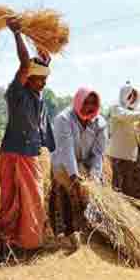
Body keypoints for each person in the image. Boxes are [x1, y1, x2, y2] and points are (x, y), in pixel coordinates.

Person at [0, 17, 56, 255]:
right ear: (27, 78)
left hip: (29, 153)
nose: (43, 84)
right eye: (39, 79)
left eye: (45, 80)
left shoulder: (36, 97)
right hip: (13, 153)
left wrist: (43, 50)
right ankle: (8, 244)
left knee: (32, 199)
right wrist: (17, 34)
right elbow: (24, 63)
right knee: (11, 200)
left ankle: (28, 243)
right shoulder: (17, 93)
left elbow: (41, 62)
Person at [49, 87, 108, 249]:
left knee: (94, 193)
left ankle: (90, 228)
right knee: (66, 193)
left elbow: (98, 154)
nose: (89, 107)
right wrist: (74, 176)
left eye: (93, 103)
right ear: (78, 102)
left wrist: (94, 176)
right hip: (62, 162)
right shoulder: (63, 119)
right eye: (86, 102)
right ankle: (66, 233)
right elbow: (66, 150)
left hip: (85, 163)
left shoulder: (100, 123)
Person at [107, 82, 140, 203]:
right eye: (130, 96)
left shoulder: (136, 115)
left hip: (138, 155)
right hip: (122, 156)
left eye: (135, 96)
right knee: (124, 186)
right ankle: (129, 208)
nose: (132, 99)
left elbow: (139, 136)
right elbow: (127, 116)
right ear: (124, 95)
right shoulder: (116, 109)